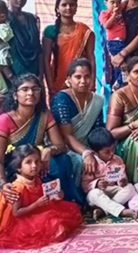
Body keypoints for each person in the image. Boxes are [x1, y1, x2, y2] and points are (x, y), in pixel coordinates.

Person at [0, 74, 82, 204]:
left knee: (63, 160)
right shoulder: (3, 121)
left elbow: (61, 146)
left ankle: (64, 200)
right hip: (14, 169)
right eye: (25, 89)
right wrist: (3, 183)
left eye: (35, 89)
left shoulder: (44, 115)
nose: (30, 93)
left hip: (37, 164)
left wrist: (49, 150)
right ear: (15, 95)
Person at [0, 145, 82, 249]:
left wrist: (57, 195)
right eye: (28, 162)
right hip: (20, 219)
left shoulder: (36, 179)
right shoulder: (18, 187)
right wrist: (36, 204)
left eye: (37, 161)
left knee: (64, 213)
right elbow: (17, 213)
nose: (34, 166)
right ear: (18, 167)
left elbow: (42, 196)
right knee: (55, 224)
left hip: (35, 211)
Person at [51, 58, 105, 189]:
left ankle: (102, 190)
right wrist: (87, 153)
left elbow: (97, 131)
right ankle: (78, 196)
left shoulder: (97, 100)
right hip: (65, 146)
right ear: (69, 79)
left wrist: (99, 151)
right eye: (78, 77)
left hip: (87, 144)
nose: (83, 81)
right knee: (79, 161)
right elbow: (66, 136)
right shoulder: (61, 99)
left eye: (87, 76)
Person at [43, 0, 95, 100]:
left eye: (72, 5)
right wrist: (50, 86)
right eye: (64, 5)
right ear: (57, 8)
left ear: (76, 8)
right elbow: (46, 60)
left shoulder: (85, 30)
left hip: (81, 80)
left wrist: (92, 82)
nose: (68, 7)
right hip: (57, 80)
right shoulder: (50, 31)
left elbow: (91, 58)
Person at [81, 128, 137, 220]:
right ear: (95, 152)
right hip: (98, 194)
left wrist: (122, 181)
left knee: (130, 188)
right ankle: (121, 211)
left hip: (114, 191)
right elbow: (85, 186)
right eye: (107, 152)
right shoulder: (91, 163)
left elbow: (123, 178)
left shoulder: (117, 160)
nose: (111, 153)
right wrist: (97, 183)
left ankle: (103, 210)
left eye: (113, 149)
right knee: (94, 194)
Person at [5, 0, 42, 77]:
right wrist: (11, 77)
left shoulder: (32, 19)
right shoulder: (2, 19)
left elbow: (38, 49)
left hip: (34, 73)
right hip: (13, 75)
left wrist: (41, 74)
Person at [99, 0, 127, 89]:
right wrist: (114, 14)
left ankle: (120, 82)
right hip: (114, 43)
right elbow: (107, 25)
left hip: (123, 42)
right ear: (105, 3)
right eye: (112, 2)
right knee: (122, 65)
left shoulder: (120, 8)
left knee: (124, 65)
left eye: (118, 2)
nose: (115, 5)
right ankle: (118, 83)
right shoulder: (104, 13)